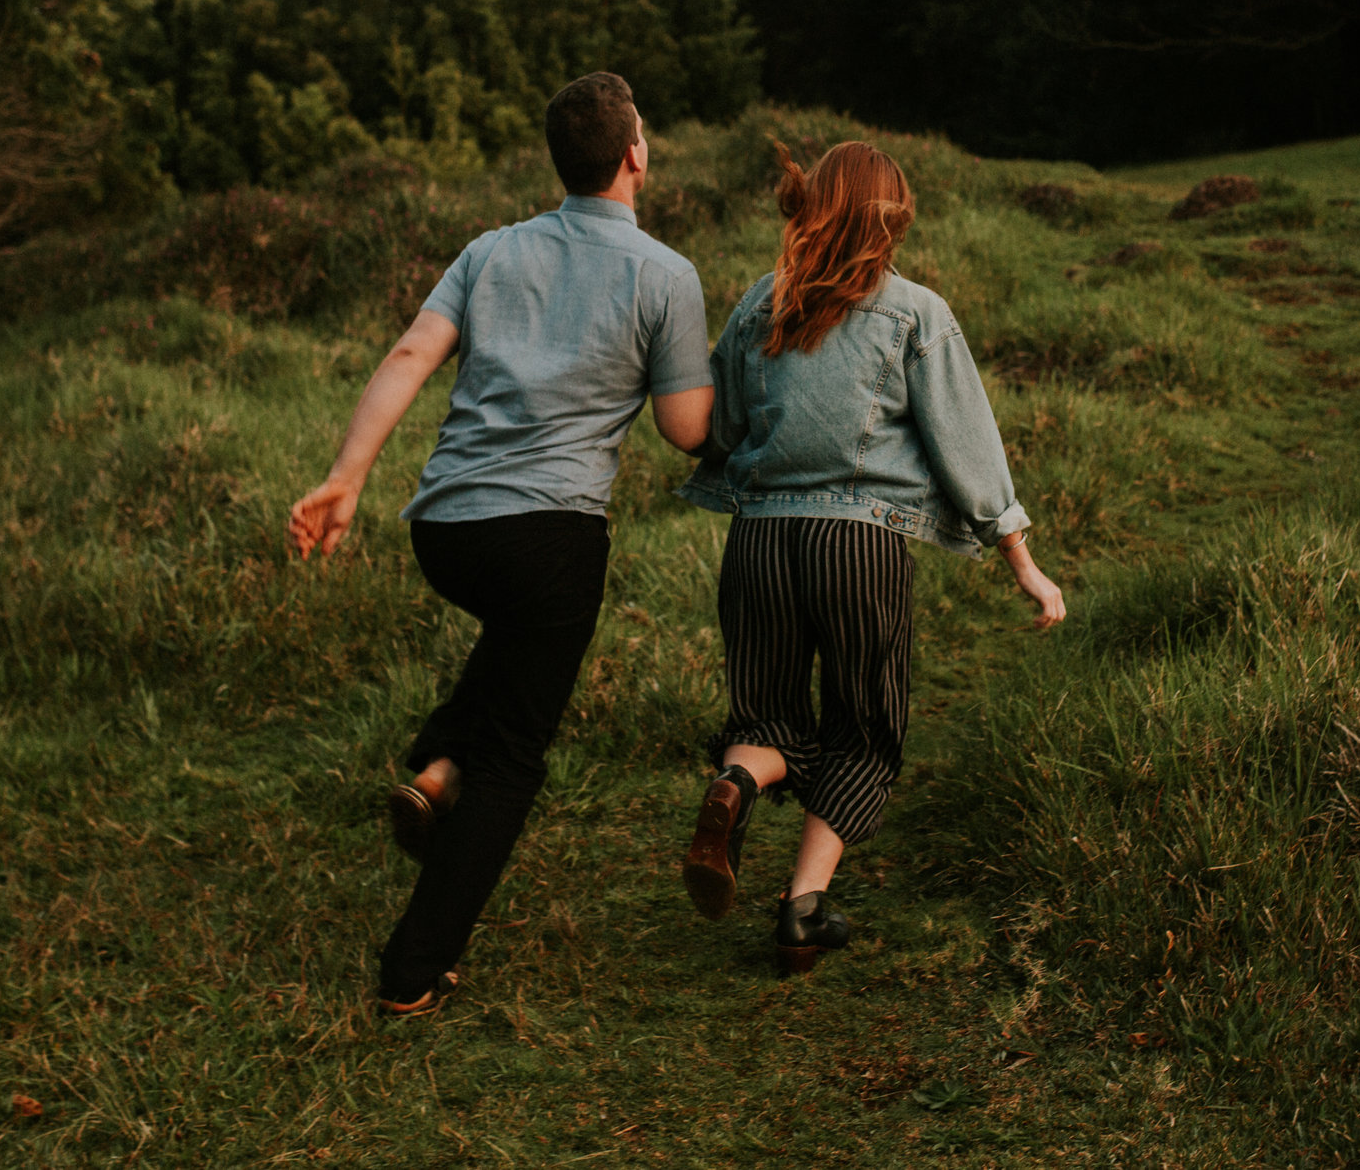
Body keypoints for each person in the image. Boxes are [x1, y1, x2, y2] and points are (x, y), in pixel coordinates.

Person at [287, 72, 713, 1016]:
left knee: (514, 642)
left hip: (445, 530)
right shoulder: (665, 274)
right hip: (553, 538)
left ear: (561, 162)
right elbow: (687, 428)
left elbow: (408, 355)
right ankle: (412, 967)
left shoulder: (489, 250)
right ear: (635, 153)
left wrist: (347, 477)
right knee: (518, 755)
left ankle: (440, 761)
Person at [675, 140, 1064, 973]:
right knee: (864, 727)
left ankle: (738, 782)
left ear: (815, 207)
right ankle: (803, 907)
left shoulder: (760, 305)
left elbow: (720, 429)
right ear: (889, 223)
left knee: (765, 714)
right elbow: (967, 442)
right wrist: (1020, 557)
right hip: (860, 543)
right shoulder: (915, 312)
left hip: (761, 542)